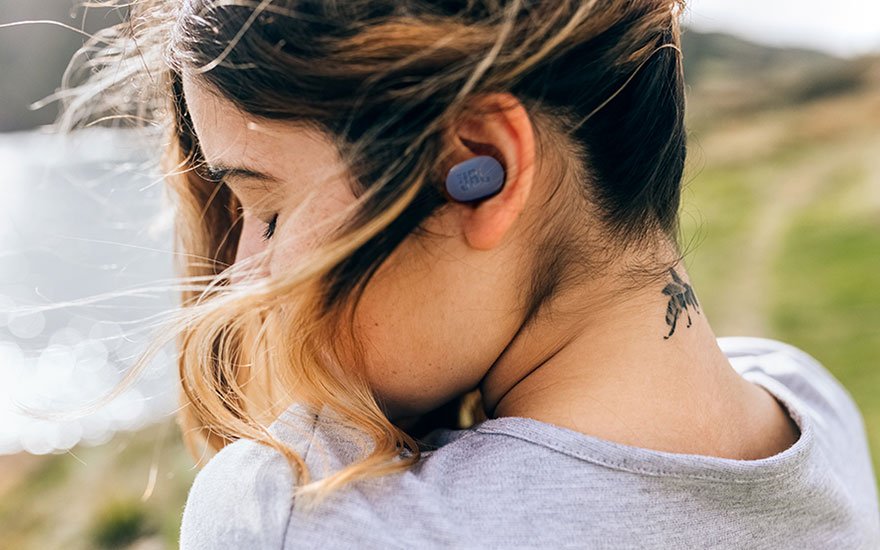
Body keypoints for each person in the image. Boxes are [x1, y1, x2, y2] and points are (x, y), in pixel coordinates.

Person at [59, 0, 879, 547]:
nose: (245, 276)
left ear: (477, 166)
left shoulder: (303, 522)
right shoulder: (811, 405)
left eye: (266, 208)